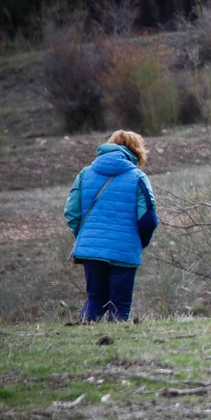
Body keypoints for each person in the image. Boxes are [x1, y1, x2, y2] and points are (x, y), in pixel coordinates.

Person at [64, 130, 159, 323]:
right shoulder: (138, 177)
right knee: (120, 304)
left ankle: (83, 342)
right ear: (136, 152)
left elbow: (71, 212)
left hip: (91, 250)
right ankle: (115, 346)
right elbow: (148, 218)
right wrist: (139, 242)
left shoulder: (85, 174)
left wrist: (87, 237)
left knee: (96, 299)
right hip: (124, 250)